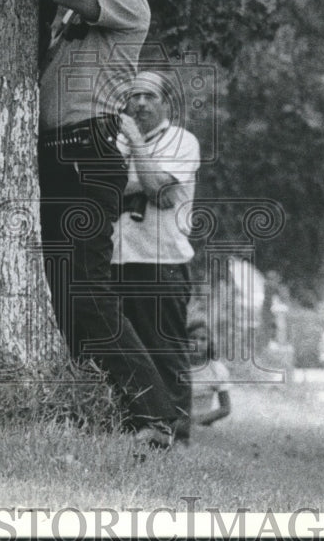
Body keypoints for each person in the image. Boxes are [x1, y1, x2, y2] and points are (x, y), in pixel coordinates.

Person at [37, 0, 175, 449]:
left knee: (88, 291)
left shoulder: (126, 1)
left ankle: (156, 415)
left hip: (86, 152)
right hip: (56, 152)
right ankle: (97, 412)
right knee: (63, 294)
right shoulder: (83, 5)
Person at [112, 70, 201, 443]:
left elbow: (159, 190)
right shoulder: (114, 143)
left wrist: (137, 150)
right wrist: (136, 183)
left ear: (166, 103)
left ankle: (177, 431)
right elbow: (96, 191)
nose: (142, 104)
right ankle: (139, 424)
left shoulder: (182, 141)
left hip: (162, 261)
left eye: (150, 97)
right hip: (117, 258)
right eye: (135, 97)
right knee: (125, 348)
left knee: (165, 348)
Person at [187, 317, 232, 428]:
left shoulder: (216, 369)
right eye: (192, 338)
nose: (198, 343)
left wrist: (198, 421)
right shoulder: (176, 366)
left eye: (203, 339)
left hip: (202, 423)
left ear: (210, 343)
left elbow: (225, 408)